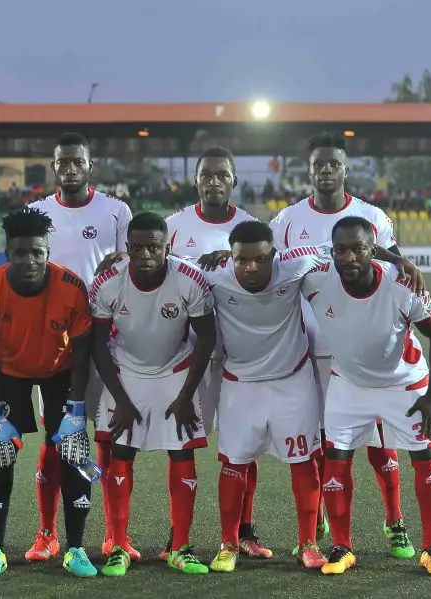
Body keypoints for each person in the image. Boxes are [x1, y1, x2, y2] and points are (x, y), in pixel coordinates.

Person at [268, 131, 415, 559]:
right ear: (309, 170)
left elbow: (393, 265)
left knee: (381, 443)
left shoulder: (371, 215)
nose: (326, 171)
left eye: (334, 164)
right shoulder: (287, 221)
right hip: (309, 348)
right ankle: (320, 520)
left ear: (345, 169)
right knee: (322, 442)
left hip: (364, 348)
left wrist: (404, 261)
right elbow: (273, 273)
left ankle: (395, 521)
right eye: (319, 164)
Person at [301, 216, 431, 575]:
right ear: (331, 251)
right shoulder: (315, 279)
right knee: (336, 459)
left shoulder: (403, 285)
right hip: (348, 384)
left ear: (374, 251)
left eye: (358, 249)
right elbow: (271, 264)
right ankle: (342, 547)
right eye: (341, 250)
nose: (349, 257)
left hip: (404, 384)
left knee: (425, 458)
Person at [0, 206, 97, 579]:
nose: (29, 260)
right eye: (20, 252)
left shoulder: (71, 287)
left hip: (59, 372)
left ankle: (75, 549)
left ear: (47, 252)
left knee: (74, 452)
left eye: (37, 252)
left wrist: (76, 412)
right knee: (0, 454)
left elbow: (83, 353)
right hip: (9, 374)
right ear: (7, 252)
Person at [90, 212, 217, 577]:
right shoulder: (108, 283)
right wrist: (121, 400)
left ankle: (180, 548)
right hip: (125, 373)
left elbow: (206, 337)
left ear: (167, 247)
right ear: (127, 248)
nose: (145, 254)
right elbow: (97, 345)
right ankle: (118, 546)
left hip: (175, 372)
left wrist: (185, 396)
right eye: (137, 248)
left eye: (153, 247)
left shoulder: (189, 279)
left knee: (182, 454)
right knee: (120, 454)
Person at [28, 132, 133, 562]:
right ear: (54, 167)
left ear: (90, 166)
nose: (70, 168)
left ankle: (114, 536)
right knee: (57, 439)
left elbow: (130, 267)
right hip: (54, 346)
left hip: (106, 341)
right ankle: (47, 533)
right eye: (62, 162)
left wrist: (121, 262)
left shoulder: (116, 212)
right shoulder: (37, 213)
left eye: (77, 161)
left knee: (107, 437)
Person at [162, 146, 265, 561]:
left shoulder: (251, 226)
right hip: (187, 353)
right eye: (206, 174)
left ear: (234, 180)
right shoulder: (173, 226)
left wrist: (231, 256)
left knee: (243, 446)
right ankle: (177, 534)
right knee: (181, 443)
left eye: (222, 174)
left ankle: (244, 531)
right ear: (195, 180)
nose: (214, 181)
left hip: (239, 356)